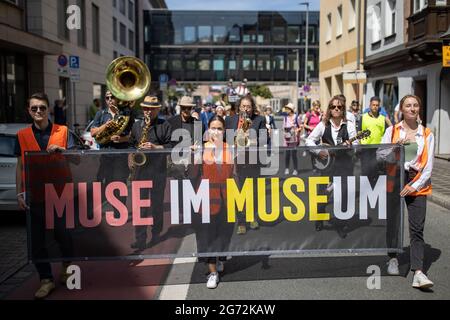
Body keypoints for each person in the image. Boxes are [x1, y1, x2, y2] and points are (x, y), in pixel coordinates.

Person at [15, 92, 75, 299]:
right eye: (34, 108)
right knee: (37, 241)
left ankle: (67, 267)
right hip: (35, 193)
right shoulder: (22, 135)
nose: (38, 111)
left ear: (49, 109)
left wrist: (63, 151)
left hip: (60, 192)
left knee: (64, 235)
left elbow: (78, 159)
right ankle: (46, 279)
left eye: (42, 107)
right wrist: (19, 192)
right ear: (28, 111)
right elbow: (20, 164)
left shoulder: (63, 131)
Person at [381, 95, 434, 289]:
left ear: (419, 108)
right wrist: (396, 147)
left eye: (416, 105)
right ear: (401, 110)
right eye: (408, 105)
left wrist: (415, 185)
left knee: (417, 227)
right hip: (395, 178)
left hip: (417, 182)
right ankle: (393, 257)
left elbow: (428, 166)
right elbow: (380, 154)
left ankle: (418, 272)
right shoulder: (392, 130)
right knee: (393, 222)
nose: (412, 108)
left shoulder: (427, 134)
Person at [305, 95, 358, 238]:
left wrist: (351, 145)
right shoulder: (323, 125)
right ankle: (319, 218)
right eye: (333, 107)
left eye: (339, 107)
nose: (336, 109)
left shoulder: (350, 126)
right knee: (323, 194)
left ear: (342, 109)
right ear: (329, 109)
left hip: (344, 166)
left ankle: (341, 225)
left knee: (343, 196)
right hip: (327, 167)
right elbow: (309, 140)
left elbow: (357, 145)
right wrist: (319, 151)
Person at [128, 96, 173, 250]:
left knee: (156, 205)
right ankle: (140, 238)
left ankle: (156, 234)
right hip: (140, 171)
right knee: (140, 207)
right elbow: (132, 144)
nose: (148, 111)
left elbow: (170, 146)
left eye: (152, 108)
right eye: (146, 108)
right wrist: (131, 156)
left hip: (158, 171)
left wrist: (155, 148)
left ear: (157, 109)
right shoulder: (137, 126)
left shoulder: (164, 125)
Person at [196, 116, 235, 289]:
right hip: (206, 197)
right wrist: (195, 155)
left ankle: (219, 258)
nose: (216, 132)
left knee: (225, 233)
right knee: (208, 235)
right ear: (207, 129)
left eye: (220, 128)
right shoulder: (201, 148)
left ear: (224, 131)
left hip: (227, 196)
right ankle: (212, 272)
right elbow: (190, 172)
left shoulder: (229, 148)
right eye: (213, 128)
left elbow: (233, 172)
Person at [225, 95, 267, 235]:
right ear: (239, 107)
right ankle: (241, 221)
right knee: (238, 192)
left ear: (252, 108)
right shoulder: (230, 119)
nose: (246, 109)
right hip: (236, 161)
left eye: (248, 106)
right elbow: (225, 138)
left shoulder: (259, 119)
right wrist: (236, 136)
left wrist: (252, 138)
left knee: (253, 191)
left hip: (253, 161)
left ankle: (252, 217)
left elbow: (265, 138)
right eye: (243, 106)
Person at [90, 90, 133, 184]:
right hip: (105, 156)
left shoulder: (126, 115)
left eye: (112, 97)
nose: (110, 100)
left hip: (121, 156)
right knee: (105, 184)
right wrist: (105, 125)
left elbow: (133, 136)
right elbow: (92, 133)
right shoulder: (100, 114)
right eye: (107, 98)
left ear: (117, 98)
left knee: (120, 183)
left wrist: (121, 139)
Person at [360, 96, 393, 183]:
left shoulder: (382, 118)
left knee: (377, 172)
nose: (375, 107)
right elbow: (359, 132)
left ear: (379, 106)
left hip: (378, 149)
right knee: (365, 172)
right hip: (365, 148)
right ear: (370, 105)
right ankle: (365, 191)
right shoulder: (363, 117)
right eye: (373, 105)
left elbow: (388, 132)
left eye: (377, 105)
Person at [282, 103, 303, 175]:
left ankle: (295, 169)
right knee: (287, 154)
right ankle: (286, 168)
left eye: (287, 109)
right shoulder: (285, 118)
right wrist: (285, 131)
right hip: (287, 138)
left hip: (294, 138)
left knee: (294, 154)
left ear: (291, 110)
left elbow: (300, 126)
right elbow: (283, 128)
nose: (286, 110)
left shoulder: (296, 117)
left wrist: (296, 130)